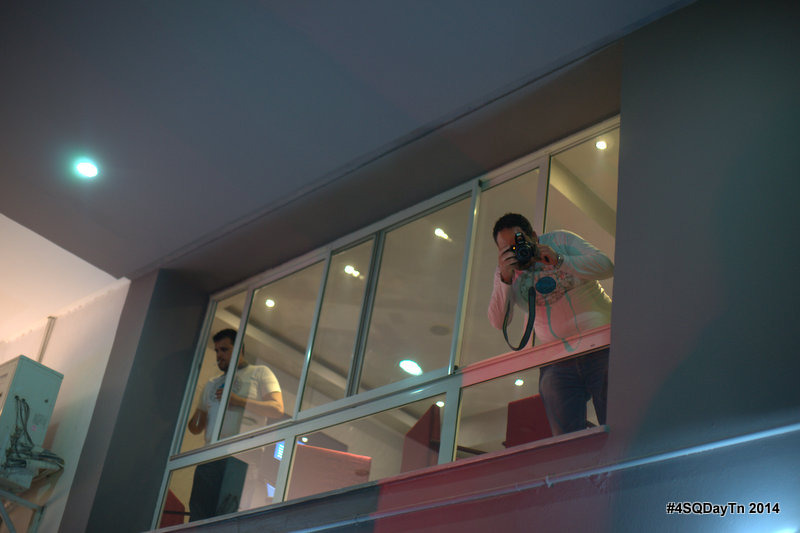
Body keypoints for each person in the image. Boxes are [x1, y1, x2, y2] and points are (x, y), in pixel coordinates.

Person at [488, 213, 613, 435]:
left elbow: (606, 266)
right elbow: (498, 322)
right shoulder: (505, 273)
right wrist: (505, 280)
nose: (516, 252)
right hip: (557, 361)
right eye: (506, 249)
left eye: (519, 243)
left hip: (601, 346)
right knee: (565, 440)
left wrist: (560, 260)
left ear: (534, 237)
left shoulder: (560, 241)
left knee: (616, 422)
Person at [188, 328, 284, 442]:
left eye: (224, 350)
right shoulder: (211, 383)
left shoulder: (260, 372)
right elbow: (195, 429)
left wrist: (238, 401)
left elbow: (277, 409)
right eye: (217, 351)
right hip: (211, 451)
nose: (219, 355)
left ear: (239, 349)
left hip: (244, 450)